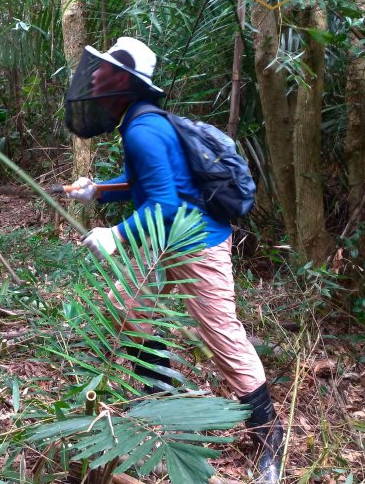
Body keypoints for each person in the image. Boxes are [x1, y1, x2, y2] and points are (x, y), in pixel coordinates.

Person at [63, 36, 285, 483]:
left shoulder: (143, 128)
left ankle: (270, 437)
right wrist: (100, 189)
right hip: (166, 241)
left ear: (122, 79)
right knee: (125, 308)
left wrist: (117, 234)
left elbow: (163, 204)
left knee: (222, 335)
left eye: (103, 69)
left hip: (195, 243)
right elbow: (148, 182)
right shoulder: (140, 122)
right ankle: (160, 396)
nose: (95, 75)